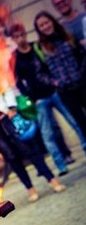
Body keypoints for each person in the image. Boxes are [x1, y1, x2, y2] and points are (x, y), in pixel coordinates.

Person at [10, 22, 86, 175]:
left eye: (21, 34)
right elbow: (18, 82)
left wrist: (56, 83)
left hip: (53, 91)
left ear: (25, 34)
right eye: (16, 36)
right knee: (47, 133)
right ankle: (61, 166)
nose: (20, 38)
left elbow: (48, 65)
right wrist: (30, 100)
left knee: (75, 121)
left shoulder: (37, 47)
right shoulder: (15, 58)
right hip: (38, 100)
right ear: (13, 39)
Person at [34, 11, 86, 146]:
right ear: (39, 29)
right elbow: (39, 73)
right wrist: (55, 82)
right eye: (41, 25)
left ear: (52, 21)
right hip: (66, 91)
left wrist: (81, 72)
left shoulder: (67, 36)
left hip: (82, 84)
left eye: (47, 22)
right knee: (81, 122)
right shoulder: (40, 47)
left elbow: (82, 54)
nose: (45, 26)